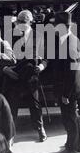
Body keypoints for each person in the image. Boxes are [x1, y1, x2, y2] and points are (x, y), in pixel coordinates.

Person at [3, 10, 48, 142]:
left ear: (30, 22)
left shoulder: (38, 36)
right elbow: (0, 57)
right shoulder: (8, 36)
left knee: (35, 105)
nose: (22, 25)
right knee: (12, 105)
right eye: (20, 22)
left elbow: (46, 58)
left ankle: (40, 128)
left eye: (25, 22)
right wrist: (5, 69)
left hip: (31, 78)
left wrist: (41, 66)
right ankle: (10, 133)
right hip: (13, 77)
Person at [52, 12, 80, 153]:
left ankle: (70, 149)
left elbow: (71, 72)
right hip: (74, 86)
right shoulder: (71, 39)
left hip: (69, 88)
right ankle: (76, 144)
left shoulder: (69, 44)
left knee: (69, 118)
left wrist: (66, 94)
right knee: (74, 116)